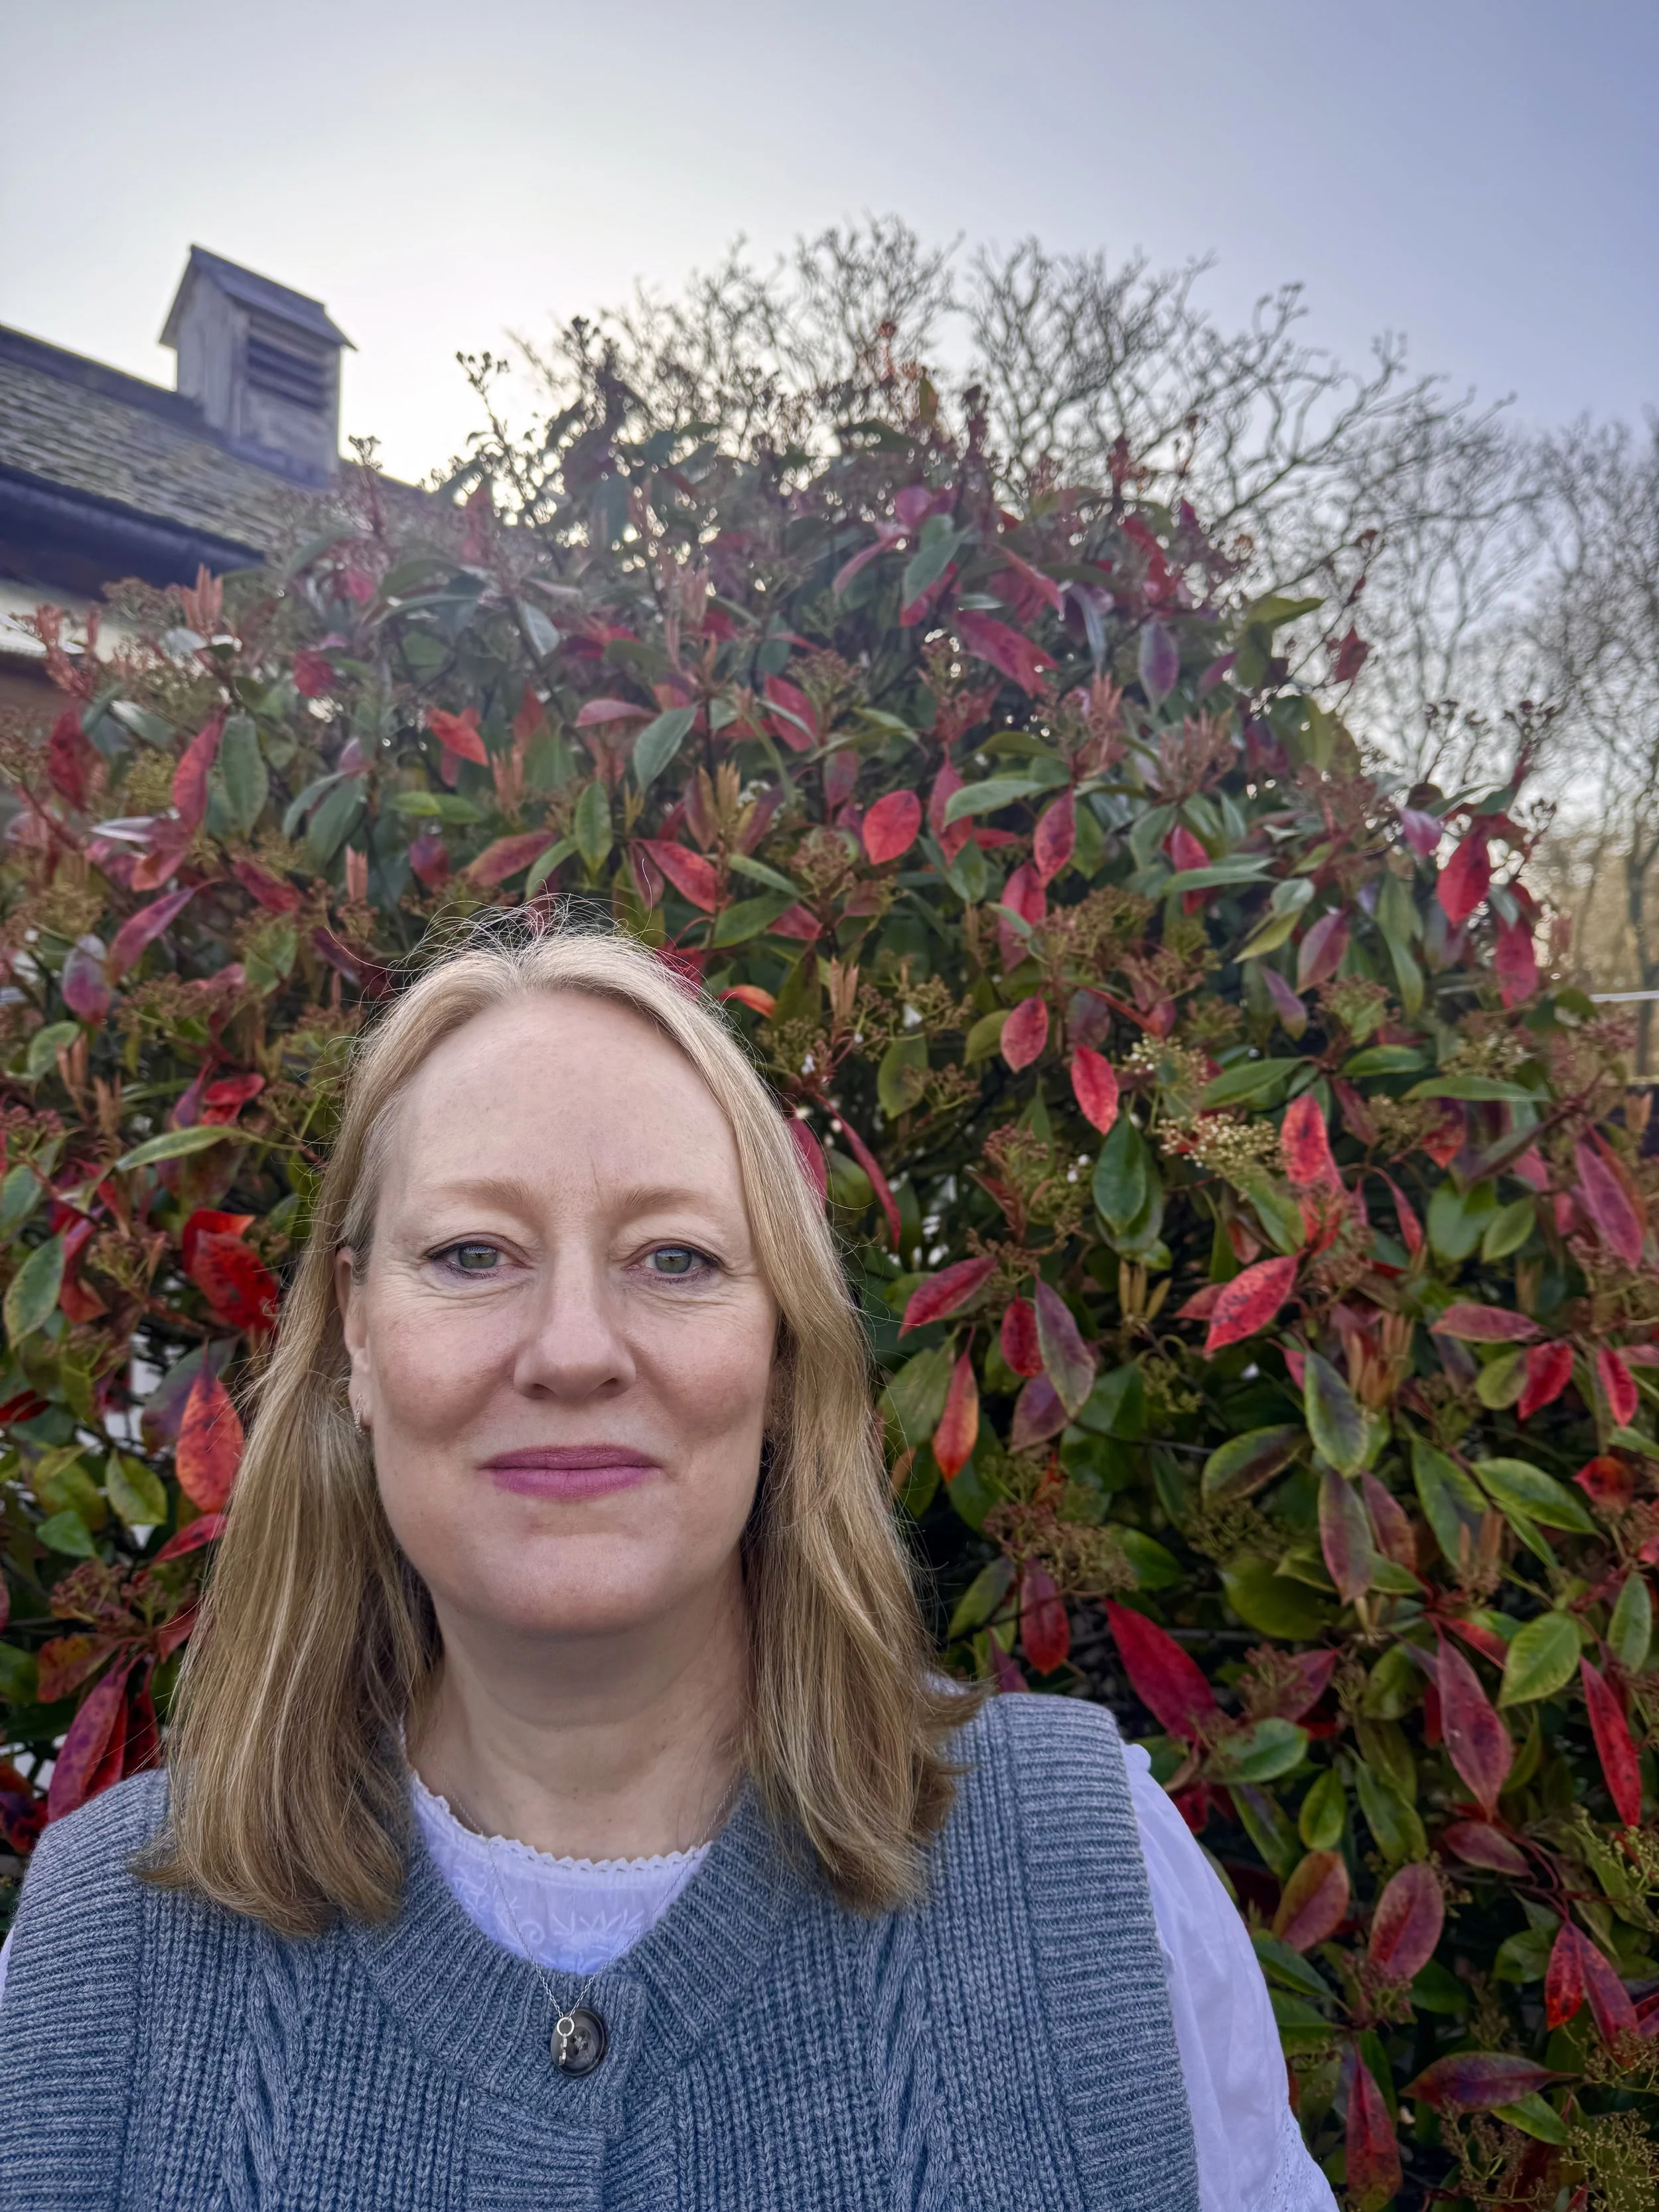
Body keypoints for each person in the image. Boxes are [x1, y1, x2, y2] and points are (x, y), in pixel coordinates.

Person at [0, 917, 1336, 2211]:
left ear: (775, 1354)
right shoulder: (88, 1959)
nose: (573, 1347)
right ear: (356, 1330)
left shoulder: (1093, 1879)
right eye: (473, 1253)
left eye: (675, 1257)